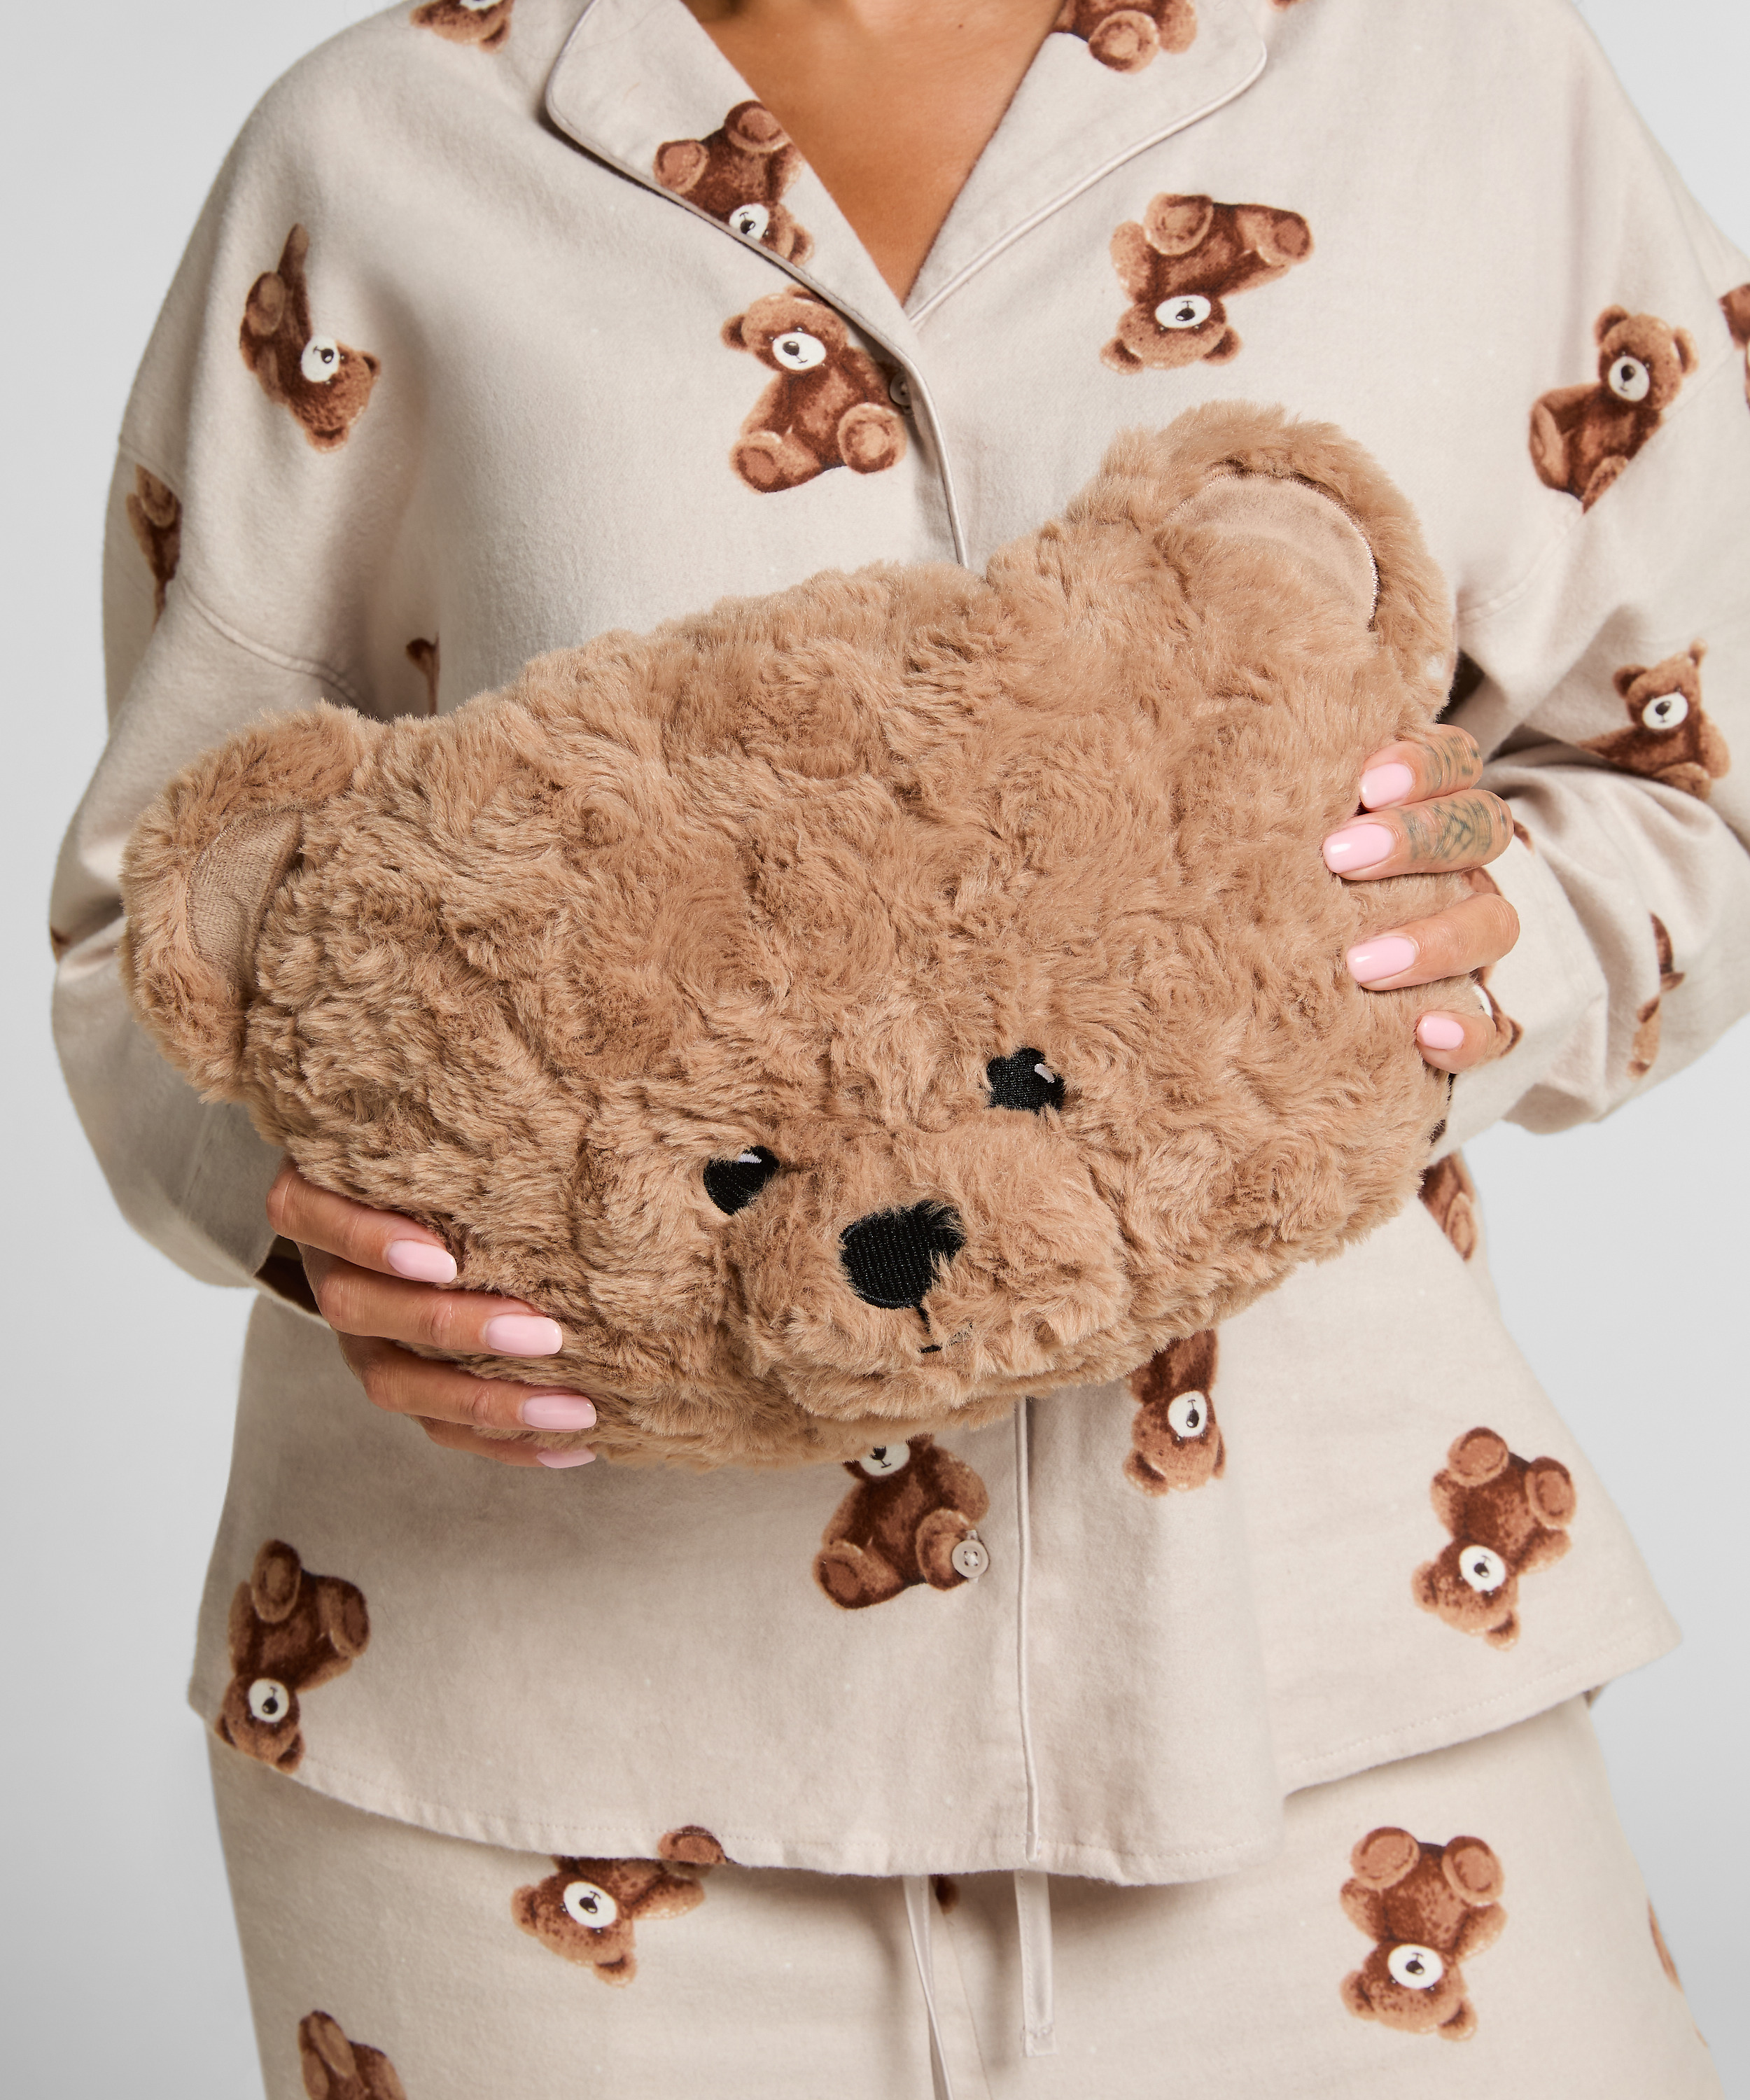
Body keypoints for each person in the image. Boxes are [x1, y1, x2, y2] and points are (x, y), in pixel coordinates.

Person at [50, 1, 1745, 2092]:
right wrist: (335, 1240)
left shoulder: (1461, 81)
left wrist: (1474, 961)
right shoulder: (380, 146)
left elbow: (1697, 774)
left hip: (1323, 1688)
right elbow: (163, 916)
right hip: (527, 1753)